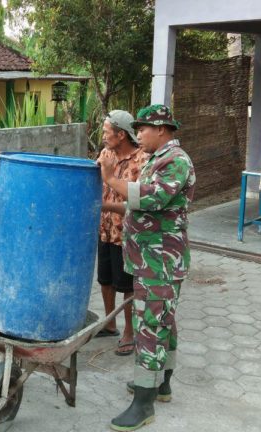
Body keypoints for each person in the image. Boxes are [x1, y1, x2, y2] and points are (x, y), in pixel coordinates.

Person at [98, 104, 195, 431]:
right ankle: (161, 384)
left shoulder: (176, 161)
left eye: (143, 129)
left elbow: (150, 199)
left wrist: (111, 179)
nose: (138, 134)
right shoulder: (159, 158)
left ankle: (143, 404)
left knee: (151, 326)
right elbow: (138, 206)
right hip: (151, 259)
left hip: (161, 261)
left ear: (163, 129)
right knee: (163, 320)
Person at [95, 110, 150, 357]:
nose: (104, 136)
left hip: (127, 233)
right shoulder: (106, 154)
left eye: (107, 132)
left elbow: (135, 203)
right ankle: (109, 323)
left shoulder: (142, 161)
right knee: (105, 279)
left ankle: (129, 331)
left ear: (121, 134)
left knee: (127, 284)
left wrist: (103, 205)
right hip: (105, 229)